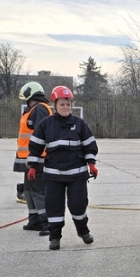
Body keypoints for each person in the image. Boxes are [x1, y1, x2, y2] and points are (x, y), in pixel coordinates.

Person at [27, 86, 98, 251]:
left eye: (68, 104)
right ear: (55, 105)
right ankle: (55, 238)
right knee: (54, 206)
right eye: (62, 104)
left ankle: (83, 231)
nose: (65, 107)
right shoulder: (46, 124)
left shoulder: (79, 124)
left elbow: (89, 145)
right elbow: (35, 147)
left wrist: (91, 164)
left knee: (78, 205)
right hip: (53, 175)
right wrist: (32, 167)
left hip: (77, 174)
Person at [14, 82, 53, 235]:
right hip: (28, 158)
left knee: (38, 191)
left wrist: (34, 158)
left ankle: (48, 223)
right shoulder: (33, 110)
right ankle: (35, 221)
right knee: (29, 192)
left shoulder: (40, 109)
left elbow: (41, 133)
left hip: (38, 158)